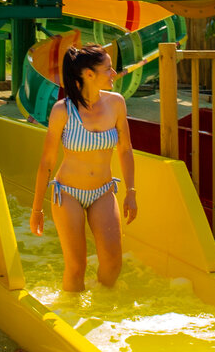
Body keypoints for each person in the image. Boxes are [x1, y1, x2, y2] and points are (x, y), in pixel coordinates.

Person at [29, 43, 138, 292]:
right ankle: (70, 314)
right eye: (108, 69)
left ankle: (102, 309)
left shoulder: (116, 104)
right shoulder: (62, 111)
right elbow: (46, 161)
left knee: (112, 265)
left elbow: (125, 149)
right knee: (76, 267)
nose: (114, 73)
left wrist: (131, 191)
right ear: (89, 74)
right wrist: (37, 208)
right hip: (68, 193)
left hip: (102, 191)